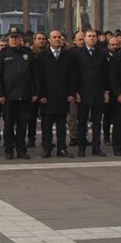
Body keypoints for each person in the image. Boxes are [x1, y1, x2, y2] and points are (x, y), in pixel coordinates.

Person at [33, 30, 75, 158]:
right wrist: (41, 95)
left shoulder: (68, 55)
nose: (57, 39)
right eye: (54, 37)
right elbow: (38, 77)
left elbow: (72, 76)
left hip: (63, 96)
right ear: (49, 40)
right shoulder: (42, 56)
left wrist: (71, 93)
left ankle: (62, 148)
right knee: (47, 125)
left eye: (59, 37)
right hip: (47, 97)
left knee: (61, 125)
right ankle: (47, 148)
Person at [0, 27, 32, 159]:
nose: (14, 40)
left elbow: (35, 74)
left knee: (22, 126)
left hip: (24, 95)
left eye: (16, 37)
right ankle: (9, 149)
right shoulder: (2, 54)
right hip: (8, 96)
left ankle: (21, 150)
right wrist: (0, 94)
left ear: (21, 39)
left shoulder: (27, 53)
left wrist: (35, 92)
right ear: (8, 39)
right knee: (8, 125)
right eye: (11, 38)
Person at [72, 29, 109, 158]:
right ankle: (81, 148)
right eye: (89, 36)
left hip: (98, 92)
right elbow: (74, 74)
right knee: (82, 122)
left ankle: (96, 147)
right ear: (85, 38)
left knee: (97, 123)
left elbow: (106, 74)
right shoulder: (77, 53)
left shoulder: (102, 53)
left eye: (94, 36)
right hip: (83, 92)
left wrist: (106, 91)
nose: (92, 38)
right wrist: (75, 92)